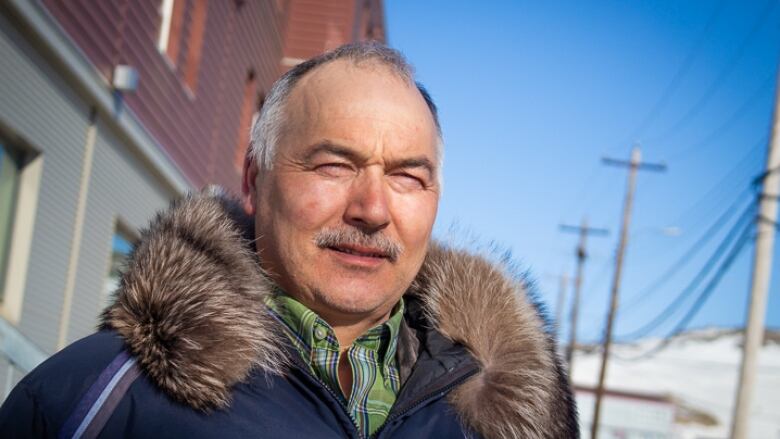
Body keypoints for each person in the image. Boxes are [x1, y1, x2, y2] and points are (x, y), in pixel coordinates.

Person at [0, 42, 578, 438]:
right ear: (255, 181)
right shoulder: (102, 396)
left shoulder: (508, 418)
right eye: (332, 165)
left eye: (407, 176)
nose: (372, 210)